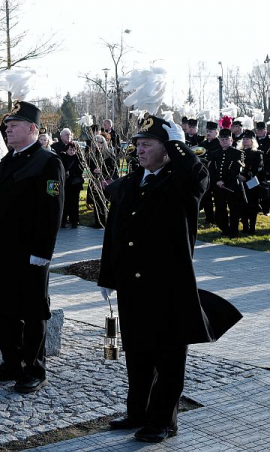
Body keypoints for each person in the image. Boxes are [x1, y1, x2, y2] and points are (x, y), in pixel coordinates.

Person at [99, 114, 241, 443]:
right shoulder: (130, 183)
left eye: (148, 144)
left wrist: (177, 143)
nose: (139, 150)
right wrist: (108, 276)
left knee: (168, 357)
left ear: (167, 149)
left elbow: (196, 174)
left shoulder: (180, 183)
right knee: (136, 353)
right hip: (132, 287)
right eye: (137, 145)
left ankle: (163, 421)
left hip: (167, 286)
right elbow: (113, 235)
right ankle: (138, 412)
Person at [0, 100, 64, 394]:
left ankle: (34, 369)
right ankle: (12, 363)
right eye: (7, 125)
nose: (8, 130)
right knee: (5, 309)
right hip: (2, 250)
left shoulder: (47, 161)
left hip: (29, 253)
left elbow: (51, 211)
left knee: (32, 311)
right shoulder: (10, 158)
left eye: (13, 125)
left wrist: (43, 252)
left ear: (32, 128)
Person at [208, 128, 245, 237]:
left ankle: (233, 230)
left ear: (231, 141)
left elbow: (236, 170)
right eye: (222, 139)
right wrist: (217, 181)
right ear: (219, 141)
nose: (224, 141)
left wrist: (224, 181)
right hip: (218, 186)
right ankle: (224, 228)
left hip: (232, 186)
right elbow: (211, 170)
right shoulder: (214, 154)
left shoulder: (238, 154)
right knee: (220, 208)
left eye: (226, 139)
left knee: (234, 209)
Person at [85, 133, 119, 228]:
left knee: (105, 202)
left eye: (100, 142)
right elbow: (88, 166)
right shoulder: (91, 154)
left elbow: (113, 170)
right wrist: (93, 170)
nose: (98, 144)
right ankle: (98, 222)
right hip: (95, 181)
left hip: (106, 181)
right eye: (96, 142)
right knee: (97, 202)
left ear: (103, 143)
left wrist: (102, 171)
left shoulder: (109, 154)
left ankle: (105, 222)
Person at [238, 130, 264, 235]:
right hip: (240, 182)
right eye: (243, 139)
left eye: (247, 139)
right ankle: (245, 226)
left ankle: (252, 228)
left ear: (252, 141)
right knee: (242, 205)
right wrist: (239, 176)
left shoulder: (257, 153)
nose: (245, 141)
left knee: (252, 205)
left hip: (252, 183)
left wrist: (246, 176)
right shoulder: (238, 153)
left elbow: (258, 168)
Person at [197, 121, 220, 225]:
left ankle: (218, 219)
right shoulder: (202, 144)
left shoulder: (219, 144)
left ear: (216, 132)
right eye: (207, 131)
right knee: (206, 198)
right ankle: (209, 218)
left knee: (218, 198)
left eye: (210, 131)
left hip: (215, 174)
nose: (208, 133)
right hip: (205, 174)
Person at [61, 141, 83, 228]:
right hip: (66, 184)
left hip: (75, 184)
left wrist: (72, 173)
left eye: (74, 150)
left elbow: (81, 170)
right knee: (65, 203)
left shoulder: (78, 158)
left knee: (74, 203)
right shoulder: (62, 157)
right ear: (66, 149)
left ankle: (74, 220)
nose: (72, 151)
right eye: (70, 149)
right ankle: (63, 220)